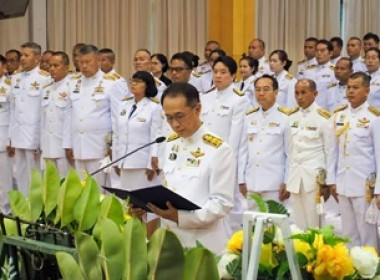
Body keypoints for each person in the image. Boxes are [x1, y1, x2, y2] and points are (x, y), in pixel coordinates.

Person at [133, 82, 235, 254]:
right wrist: (144, 207)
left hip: (201, 245)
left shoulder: (218, 149)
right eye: (169, 117)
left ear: (197, 109)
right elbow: (167, 190)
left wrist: (180, 217)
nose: (175, 124)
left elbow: (221, 204)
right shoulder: (171, 144)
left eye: (180, 116)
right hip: (169, 242)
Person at [63, 45, 126, 187]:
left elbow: (118, 118)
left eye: (88, 62)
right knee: (81, 190)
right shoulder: (73, 82)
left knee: (99, 191)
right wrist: (67, 144)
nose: (84, 66)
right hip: (78, 146)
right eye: (81, 62)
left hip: (100, 147)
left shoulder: (112, 83)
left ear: (98, 61)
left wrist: (115, 146)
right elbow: (68, 115)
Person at [330, 72, 379, 248]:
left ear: (366, 91)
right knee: (348, 235)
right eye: (349, 87)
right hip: (343, 182)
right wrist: (331, 180)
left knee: (368, 235)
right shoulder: (339, 116)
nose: (350, 91)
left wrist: (378, 189)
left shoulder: (374, 117)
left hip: (364, 185)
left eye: (355, 87)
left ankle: (371, 272)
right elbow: (332, 151)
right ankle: (351, 271)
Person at [201, 56, 249, 231]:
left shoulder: (239, 99)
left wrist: (227, 161)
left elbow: (235, 138)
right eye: (215, 72)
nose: (218, 76)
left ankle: (233, 242)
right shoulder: (205, 97)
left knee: (230, 202)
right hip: (205, 157)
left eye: (223, 72)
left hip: (226, 159)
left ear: (233, 76)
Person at [286, 79, 334, 229]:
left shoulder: (324, 118)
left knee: (314, 224)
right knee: (298, 223)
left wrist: (328, 182)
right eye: (296, 93)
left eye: (303, 93)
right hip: (295, 175)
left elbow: (329, 151)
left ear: (315, 93)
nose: (299, 97)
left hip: (314, 177)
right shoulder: (290, 116)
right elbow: (289, 150)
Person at [238, 75, 289, 208]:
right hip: (252, 180)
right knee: (252, 224)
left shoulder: (285, 117)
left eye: (266, 89)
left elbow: (290, 154)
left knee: (275, 224)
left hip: (274, 183)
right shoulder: (249, 116)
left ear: (276, 92)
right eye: (257, 89)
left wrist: (288, 181)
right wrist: (241, 179)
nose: (261, 93)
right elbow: (243, 150)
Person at [8, 42, 51, 195]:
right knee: (19, 175)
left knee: (35, 176)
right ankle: (22, 210)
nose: (23, 59)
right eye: (22, 55)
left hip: (34, 137)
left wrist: (40, 140)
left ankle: (36, 213)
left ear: (37, 58)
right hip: (18, 136)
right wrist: (11, 138)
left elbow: (44, 112)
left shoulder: (44, 78)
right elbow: (13, 110)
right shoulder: (15, 78)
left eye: (27, 55)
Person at [113, 71, 162, 190]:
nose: (133, 84)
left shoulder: (154, 107)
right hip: (123, 160)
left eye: (138, 82)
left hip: (141, 162)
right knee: (125, 201)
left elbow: (156, 136)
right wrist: (116, 160)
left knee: (141, 201)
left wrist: (152, 162)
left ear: (147, 85)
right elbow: (116, 134)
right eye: (132, 81)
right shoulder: (123, 105)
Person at [40, 51, 72, 177]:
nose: (51, 68)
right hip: (48, 146)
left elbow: (72, 119)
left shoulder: (72, 86)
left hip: (64, 147)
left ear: (67, 67)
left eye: (56, 65)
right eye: (50, 65)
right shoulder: (46, 88)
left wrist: (69, 145)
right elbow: (43, 119)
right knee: (50, 188)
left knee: (67, 187)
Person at [303, 39, 336, 110]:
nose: (319, 53)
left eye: (322, 51)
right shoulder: (308, 70)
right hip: (308, 109)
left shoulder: (334, 71)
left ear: (330, 53)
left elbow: (335, 95)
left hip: (325, 110)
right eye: (317, 51)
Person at [0, 55, 12, 213]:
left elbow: (15, 115)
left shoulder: (9, 86)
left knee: (5, 179)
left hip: (3, 138)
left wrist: (11, 139)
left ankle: (6, 212)